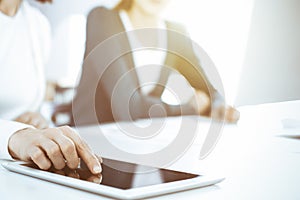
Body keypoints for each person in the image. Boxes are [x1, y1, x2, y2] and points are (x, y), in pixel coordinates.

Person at [72, 0, 240, 125]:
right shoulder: (102, 20)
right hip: (90, 150)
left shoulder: (175, 33)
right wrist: (189, 109)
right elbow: (130, 107)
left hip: (141, 147)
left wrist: (217, 107)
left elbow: (209, 90)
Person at [0, 0, 101, 174]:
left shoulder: (37, 23)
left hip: (16, 169)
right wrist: (14, 135)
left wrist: (38, 121)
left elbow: (34, 106)